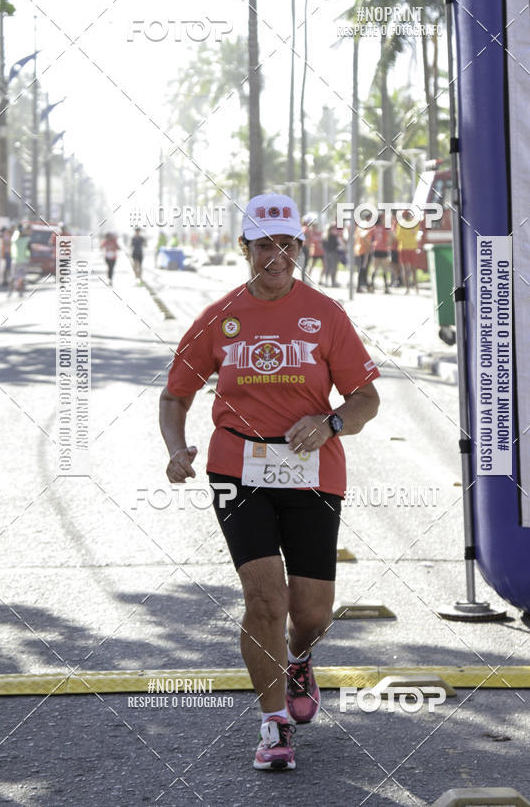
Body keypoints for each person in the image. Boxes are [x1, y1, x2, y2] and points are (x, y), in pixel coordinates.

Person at [159, 193, 380, 772]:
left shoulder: (326, 314)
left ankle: (299, 657)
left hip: (313, 468)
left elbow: (366, 399)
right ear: (245, 249)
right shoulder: (219, 316)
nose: (275, 257)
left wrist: (330, 420)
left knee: (312, 612)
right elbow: (175, 395)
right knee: (264, 597)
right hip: (237, 468)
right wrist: (176, 447)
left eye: (286, 246)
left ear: (300, 251)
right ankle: (273, 723)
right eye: (263, 246)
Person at [394, 210, 421, 293]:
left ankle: (415, 287)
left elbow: (415, 232)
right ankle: (408, 288)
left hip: (411, 247)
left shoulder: (414, 223)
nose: (406, 216)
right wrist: (409, 234)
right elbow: (398, 236)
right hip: (404, 248)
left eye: (407, 215)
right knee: (406, 269)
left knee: (413, 268)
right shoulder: (400, 224)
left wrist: (406, 236)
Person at [369, 213, 391, 293]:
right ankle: (386, 288)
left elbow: (365, 236)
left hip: (376, 249)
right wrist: (389, 243)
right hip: (384, 249)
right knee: (385, 269)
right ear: (381, 219)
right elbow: (392, 236)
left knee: (374, 269)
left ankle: (371, 286)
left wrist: (371, 244)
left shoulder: (374, 228)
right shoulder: (385, 228)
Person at [9, 223, 31, 296]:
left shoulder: (14, 239)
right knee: (22, 276)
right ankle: (20, 291)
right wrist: (28, 257)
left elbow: (12, 247)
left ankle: (10, 291)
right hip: (24, 260)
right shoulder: (27, 239)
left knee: (13, 276)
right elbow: (28, 250)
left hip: (15, 260)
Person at [322, 222, 340, 287]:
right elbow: (337, 244)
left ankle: (326, 281)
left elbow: (323, 245)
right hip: (333, 253)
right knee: (333, 267)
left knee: (327, 267)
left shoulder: (324, 236)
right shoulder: (333, 236)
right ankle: (333, 282)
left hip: (326, 253)